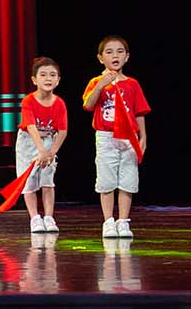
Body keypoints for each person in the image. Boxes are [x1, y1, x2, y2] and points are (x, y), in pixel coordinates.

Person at [82, 35, 150, 238]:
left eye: (120, 51)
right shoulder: (96, 82)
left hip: (129, 138)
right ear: (100, 58)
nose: (115, 56)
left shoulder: (132, 84)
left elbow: (139, 112)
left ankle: (123, 221)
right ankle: (108, 222)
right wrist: (101, 85)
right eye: (109, 52)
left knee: (128, 179)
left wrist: (143, 137)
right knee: (106, 179)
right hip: (106, 136)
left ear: (127, 57)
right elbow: (88, 105)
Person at [16, 57, 68, 233]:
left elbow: (63, 131)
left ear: (58, 80)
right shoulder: (28, 101)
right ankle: (35, 218)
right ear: (34, 80)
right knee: (29, 181)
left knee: (47, 181)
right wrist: (41, 151)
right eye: (43, 75)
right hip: (29, 142)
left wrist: (51, 152)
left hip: (49, 140)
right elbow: (31, 127)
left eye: (52, 75)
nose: (48, 78)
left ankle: (49, 217)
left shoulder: (59, 103)